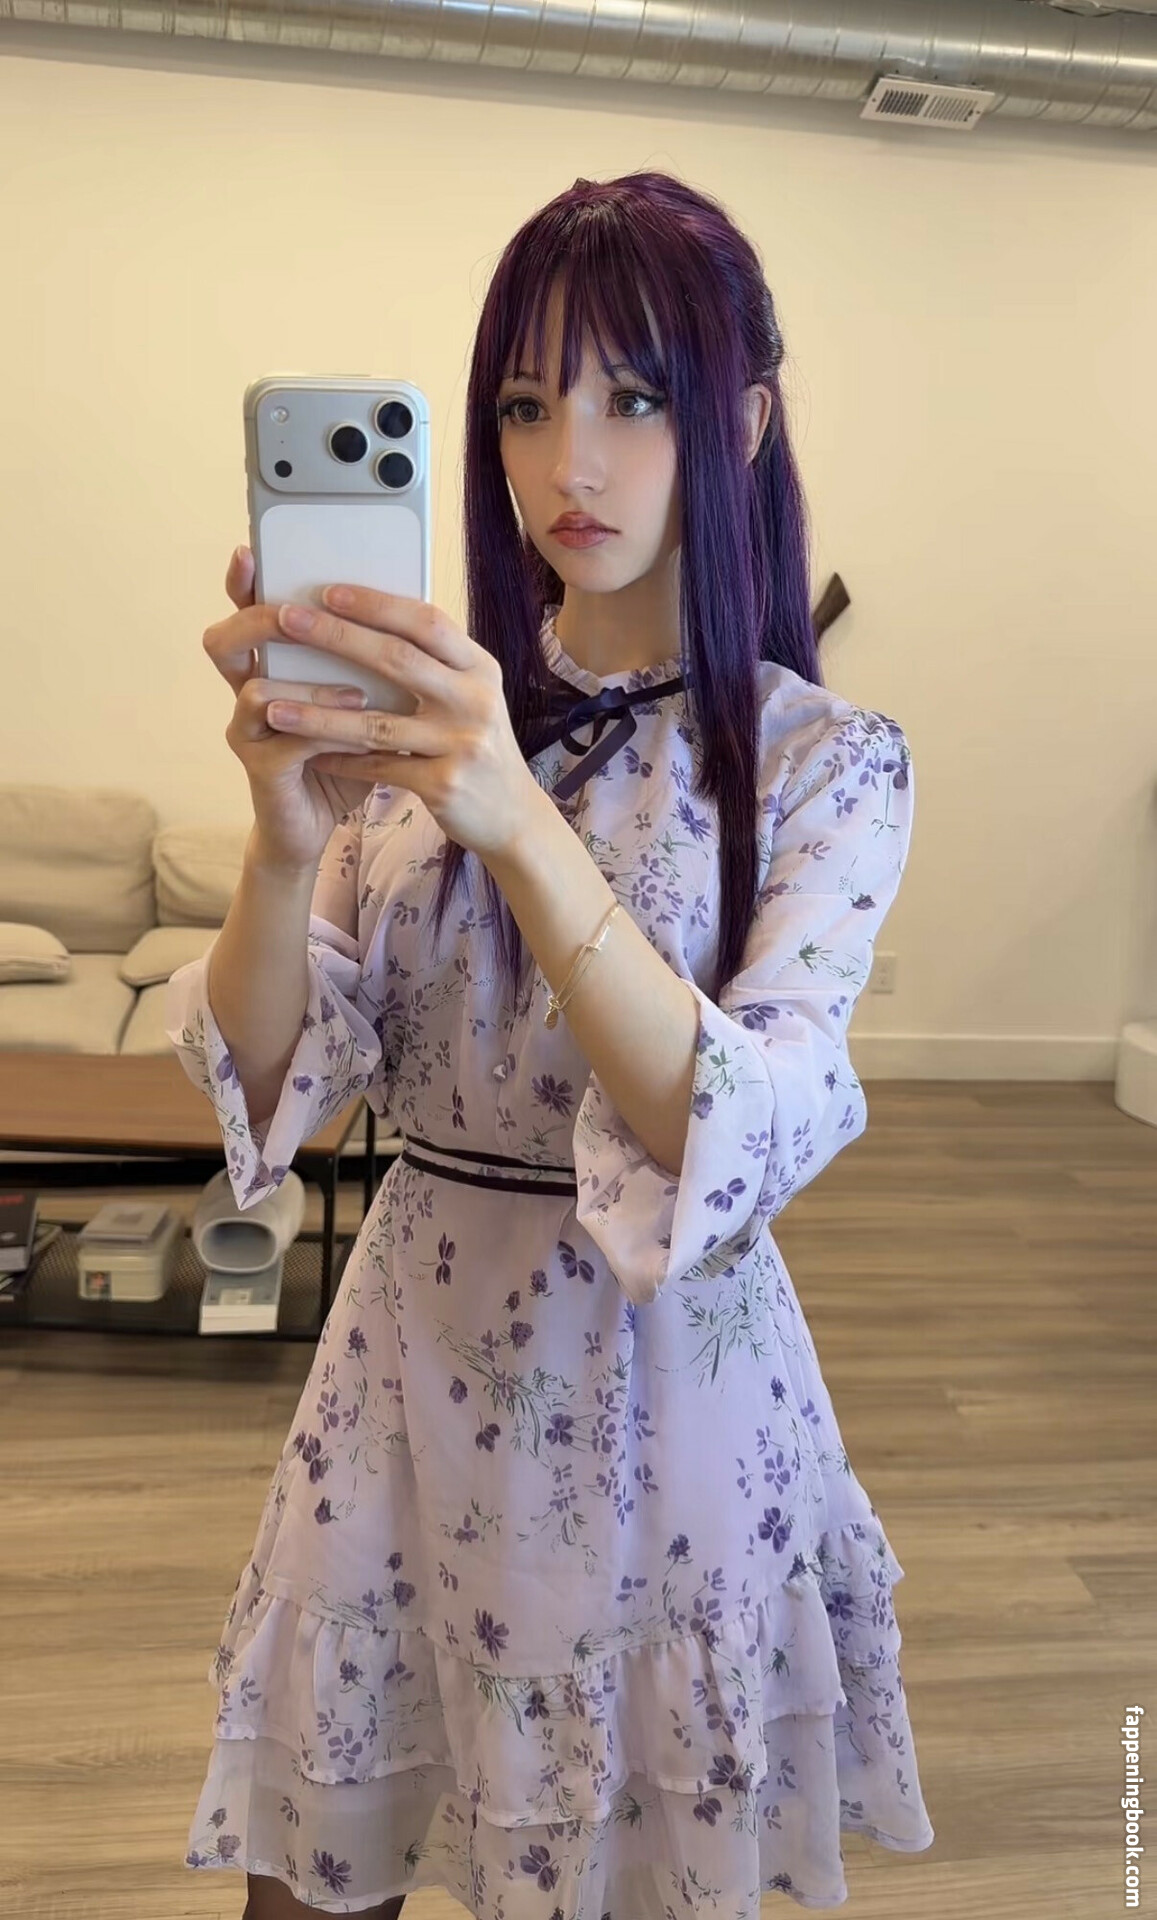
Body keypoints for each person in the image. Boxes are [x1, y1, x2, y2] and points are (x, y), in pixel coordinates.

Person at [166, 168, 934, 1920]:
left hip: (662, 1399)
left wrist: (513, 814)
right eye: (524, 404)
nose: (568, 460)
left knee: (624, 1866)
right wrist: (283, 841)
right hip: (405, 1370)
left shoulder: (825, 766)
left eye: (634, 397)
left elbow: (739, 1121)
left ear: (740, 422)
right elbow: (276, 1083)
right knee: (311, 1872)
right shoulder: (426, 726)